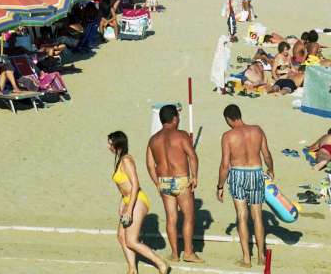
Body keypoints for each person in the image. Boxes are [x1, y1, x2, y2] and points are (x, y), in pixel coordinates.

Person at [216, 104, 273, 268]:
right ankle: (261, 256)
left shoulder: (228, 136)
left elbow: (225, 165)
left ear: (228, 119)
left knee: (242, 215)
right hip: (256, 172)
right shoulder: (257, 130)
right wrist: (271, 169)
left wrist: (220, 186)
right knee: (257, 216)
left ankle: (247, 258)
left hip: (238, 174)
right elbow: (266, 154)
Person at [145, 105, 202, 264]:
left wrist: (156, 182)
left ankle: (175, 254)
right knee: (189, 216)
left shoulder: (153, 139)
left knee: (171, 218)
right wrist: (195, 176)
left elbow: (150, 165)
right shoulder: (181, 135)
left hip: (164, 181)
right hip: (181, 180)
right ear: (175, 118)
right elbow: (192, 156)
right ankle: (188, 253)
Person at [108, 131, 169, 274]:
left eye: (110, 143)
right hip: (128, 200)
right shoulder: (120, 160)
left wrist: (129, 210)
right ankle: (132, 269)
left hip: (137, 200)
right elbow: (125, 186)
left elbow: (135, 184)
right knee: (121, 236)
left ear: (117, 144)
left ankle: (161, 264)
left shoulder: (126, 160)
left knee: (131, 240)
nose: (108, 146)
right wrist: (122, 202)